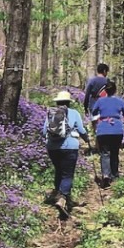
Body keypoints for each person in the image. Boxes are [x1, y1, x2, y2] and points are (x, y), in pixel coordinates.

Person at [42, 90, 91, 218]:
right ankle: (62, 198)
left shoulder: (51, 113)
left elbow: (43, 131)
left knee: (59, 171)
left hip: (52, 148)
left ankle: (62, 197)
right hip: (70, 147)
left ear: (57, 102)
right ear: (69, 103)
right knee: (67, 174)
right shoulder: (74, 113)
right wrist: (87, 139)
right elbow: (81, 129)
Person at [91, 79, 124, 187]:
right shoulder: (120, 101)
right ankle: (114, 175)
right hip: (117, 129)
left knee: (104, 153)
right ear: (115, 90)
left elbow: (94, 111)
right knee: (114, 152)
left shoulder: (100, 101)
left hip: (103, 130)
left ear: (106, 91)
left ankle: (105, 175)